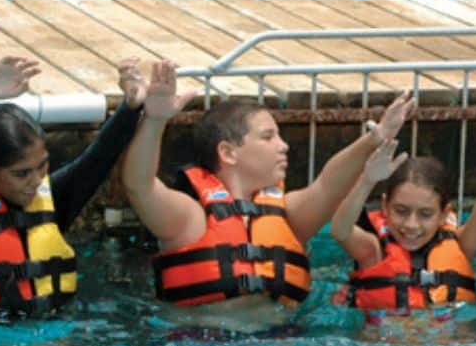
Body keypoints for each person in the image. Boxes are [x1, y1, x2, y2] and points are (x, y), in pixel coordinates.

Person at [123, 60, 403, 325]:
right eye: (268, 137)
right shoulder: (188, 218)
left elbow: (329, 185)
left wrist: (375, 138)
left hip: (280, 344)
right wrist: (155, 120)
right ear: (228, 152)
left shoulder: (288, 215)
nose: (284, 146)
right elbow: (139, 185)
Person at [0, 55, 145, 318]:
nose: (36, 181)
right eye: (21, 174)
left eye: (43, 166)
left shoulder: (50, 200)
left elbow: (97, 160)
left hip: (50, 344)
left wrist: (131, 107)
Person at [328, 105, 476, 315]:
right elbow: (340, 230)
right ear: (384, 206)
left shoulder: (462, 244)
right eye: (401, 211)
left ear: (444, 213)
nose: (411, 224)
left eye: (425, 214)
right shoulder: (373, 252)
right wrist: (367, 181)